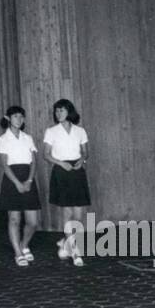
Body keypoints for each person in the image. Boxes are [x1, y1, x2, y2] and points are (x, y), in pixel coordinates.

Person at [43, 98, 91, 267]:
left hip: (77, 172)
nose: (58, 113)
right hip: (61, 171)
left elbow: (85, 152)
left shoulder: (80, 131)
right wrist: (60, 163)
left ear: (69, 111)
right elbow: (46, 154)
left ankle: (65, 242)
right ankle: (75, 251)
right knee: (67, 214)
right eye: (56, 111)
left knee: (78, 215)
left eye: (61, 110)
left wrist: (81, 161)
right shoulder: (51, 131)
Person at [0, 104, 42, 266]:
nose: (19, 119)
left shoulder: (28, 138)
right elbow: (4, 164)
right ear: (8, 119)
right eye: (15, 116)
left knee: (33, 222)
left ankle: (24, 245)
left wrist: (28, 181)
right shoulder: (3, 139)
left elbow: (34, 162)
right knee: (14, 219)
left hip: (27, 178)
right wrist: (16, 183)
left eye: (21, 117)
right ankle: (17, 253)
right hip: (11, 179)